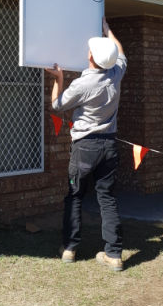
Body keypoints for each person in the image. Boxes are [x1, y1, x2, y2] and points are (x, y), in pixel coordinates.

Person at [45, 18, 127, 271]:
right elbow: (121, 53)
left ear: (91, 58)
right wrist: (108, 30)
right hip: (109, 146)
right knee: (107, 197)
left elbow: (57, 106)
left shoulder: (83, 84)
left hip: (84, 148)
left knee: (75, 195)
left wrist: (58, 78)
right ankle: (114, 255)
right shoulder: (116, 73)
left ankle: (69, 248)